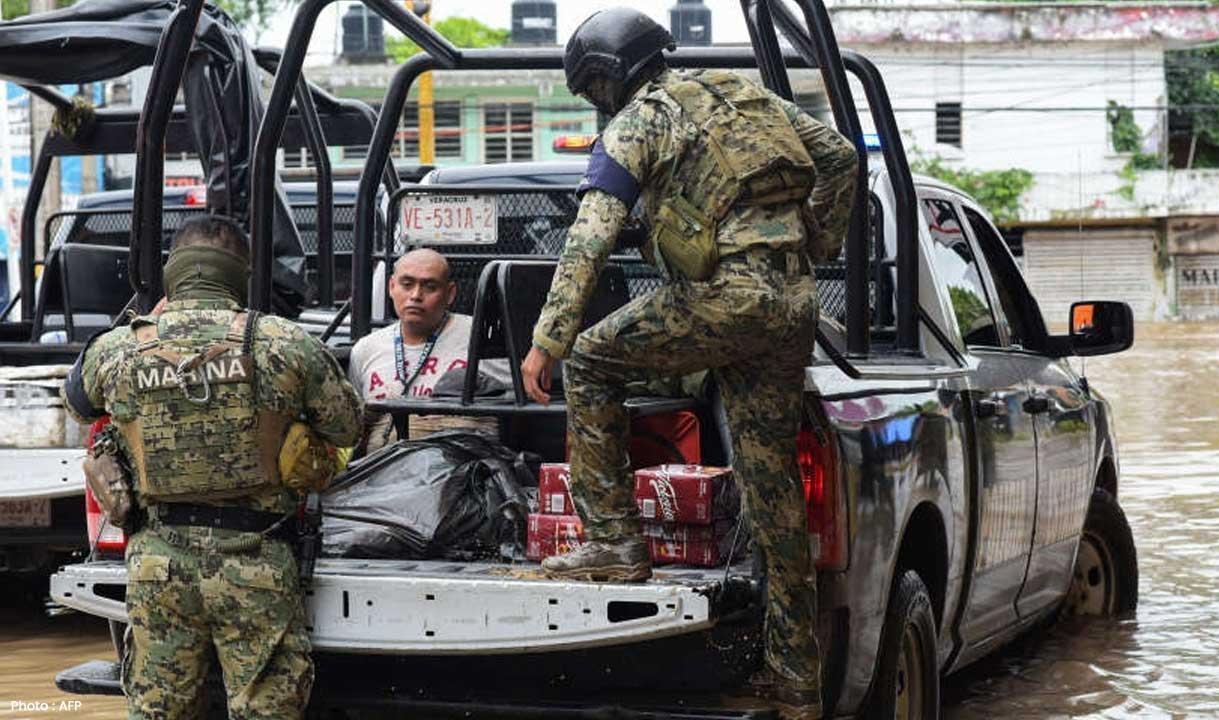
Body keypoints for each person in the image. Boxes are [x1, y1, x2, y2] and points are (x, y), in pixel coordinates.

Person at [519, 9, 857, 720]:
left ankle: (614, 542)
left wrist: (548, 338)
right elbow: (840, 158)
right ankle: (797, 680)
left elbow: (591, 237)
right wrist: (817, 242)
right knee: (772, 487)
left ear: (605, 78)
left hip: (726, 299)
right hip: (792, 304)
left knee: (592, 359)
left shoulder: (638, 121)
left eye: (592, 91)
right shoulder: (743, 94)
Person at [62, 215, 363, 719]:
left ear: (173, 274)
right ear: (240, 274)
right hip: (257, 562)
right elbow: (347, 427)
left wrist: (143, 325)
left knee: (160, 711)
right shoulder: (283, 342)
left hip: (157, 565)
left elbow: (77, 401)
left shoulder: (121, 347)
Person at [347, 248, 500, 451]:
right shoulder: (366, 349)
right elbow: (356, 429)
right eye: (407, 284)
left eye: (430, 287)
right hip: (384, 466)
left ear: (450, 293)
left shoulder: (481, 337)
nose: (416, 295)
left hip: (456, 465)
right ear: (391, 287)